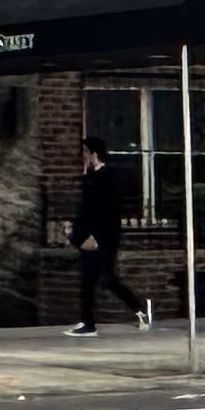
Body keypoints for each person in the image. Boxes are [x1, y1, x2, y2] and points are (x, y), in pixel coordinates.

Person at [67, 134, 150, 334]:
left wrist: (94, 236)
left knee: (108, 279)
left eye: (86, 152)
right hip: (89, 237)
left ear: (93, 154)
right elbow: (86, 210)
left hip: (102, 238)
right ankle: (87, 322)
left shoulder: (106, 177)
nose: (83, 157)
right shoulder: (91, 177)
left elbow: (106, 210)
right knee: (87, 281)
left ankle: (139, 309)